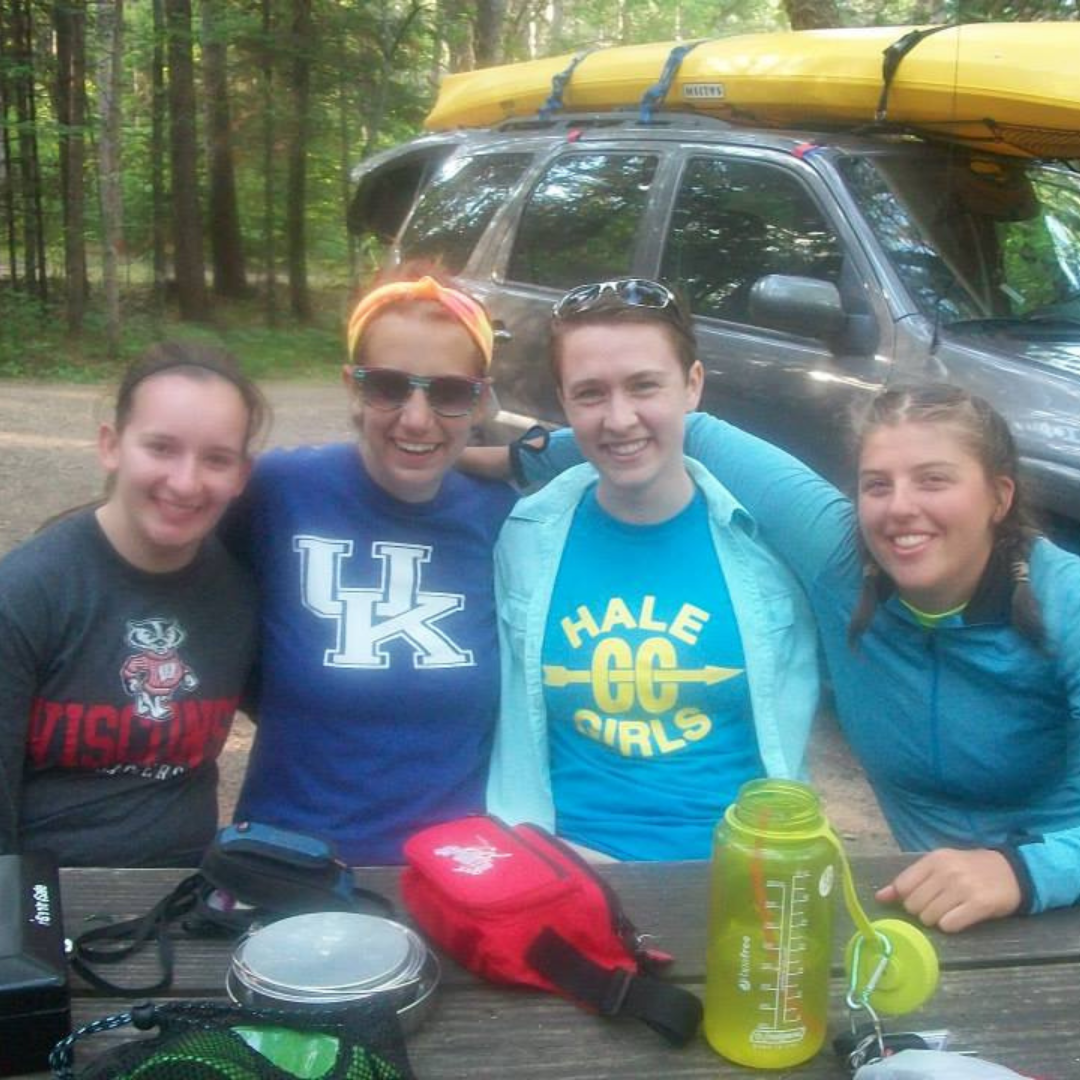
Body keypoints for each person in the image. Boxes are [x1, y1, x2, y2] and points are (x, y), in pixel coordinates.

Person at [509, 383, 1080, 929]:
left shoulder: (1065, 599)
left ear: (999, 496)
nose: (899, 508)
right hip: (928, 911)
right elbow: (689, 432)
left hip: (1058, 901)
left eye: (934, 481)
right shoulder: (840, 560)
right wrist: (502, 457)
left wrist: (1024, 870)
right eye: (876, 485)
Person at [485, 278, 819, 860]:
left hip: (735, 871)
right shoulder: (524, 539)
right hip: (565, 869)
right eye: (590, 394)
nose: (620, 419)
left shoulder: (768, 545)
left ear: (692, 386)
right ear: (564, 404)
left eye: (644, 386)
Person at [222, 267, 516, 865]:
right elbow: (178, 578)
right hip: (287, 859)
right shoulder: (278, 492)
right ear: (351, 387)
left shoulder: (509, 519)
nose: (415, 417)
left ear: (481, 400)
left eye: (449, 392)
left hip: (455, 874)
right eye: (387, 386)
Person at [0, 342, 267, 866]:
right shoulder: (27, 592)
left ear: (241, 475)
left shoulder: (242, 592)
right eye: (161, 448)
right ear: (112, 445)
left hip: (186, 890)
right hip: (46, 893)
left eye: (216, 459)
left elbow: (317, 717)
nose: (186, 482)